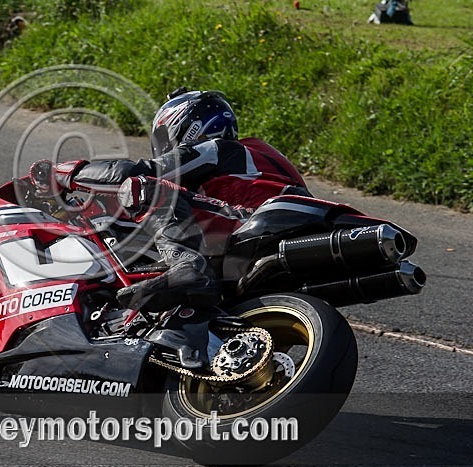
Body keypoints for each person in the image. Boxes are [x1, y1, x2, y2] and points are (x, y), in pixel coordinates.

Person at [29, 89, 309, 312]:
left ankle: (187, 266)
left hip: (254, 220)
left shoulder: (222, 150)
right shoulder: (248, 165)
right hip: (274, 229)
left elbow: (138, 173)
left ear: (187, 126)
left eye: (163, 137)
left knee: (140, 188)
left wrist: (65, 174)